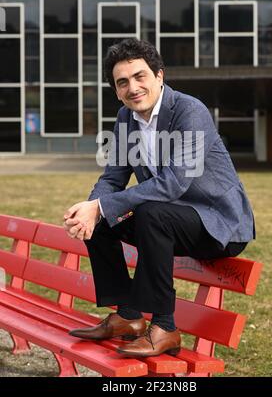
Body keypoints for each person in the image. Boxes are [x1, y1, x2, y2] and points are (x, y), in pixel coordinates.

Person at [63, 38, 255, 358]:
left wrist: (101, 206)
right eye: (122, 82)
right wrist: (91, 209)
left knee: (149, 212)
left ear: (159, 76)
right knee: (103, 220)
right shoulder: (126, 119)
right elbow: (113, 178)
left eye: (140, 76)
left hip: (217, 224)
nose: (133, 87)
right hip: (168, 220)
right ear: (115, 89)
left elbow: (173, 184)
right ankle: (128, 315)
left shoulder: (189, 111)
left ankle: (165, 327)